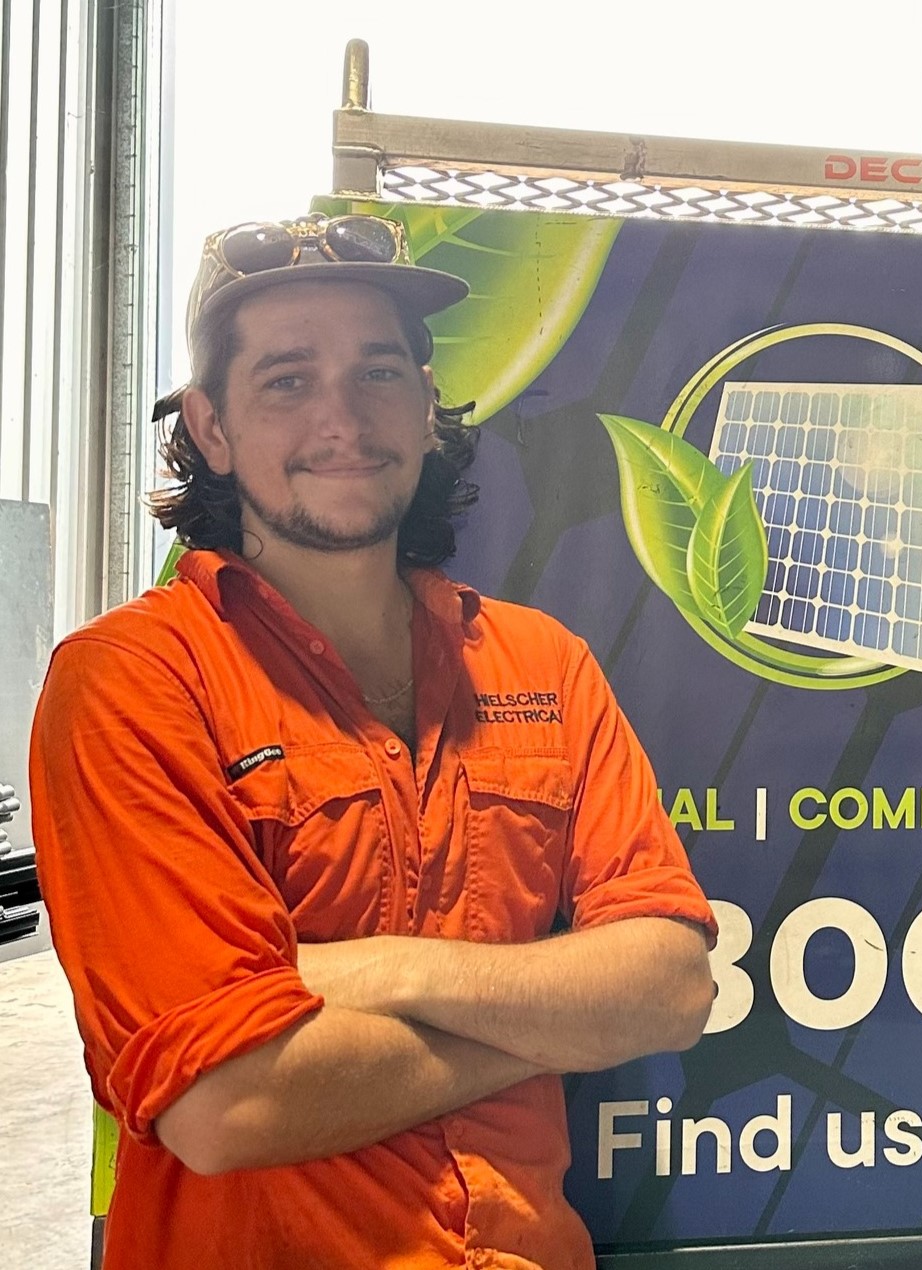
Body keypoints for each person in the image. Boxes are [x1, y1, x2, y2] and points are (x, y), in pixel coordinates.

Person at [30, 212, 717, 1270]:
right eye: (288, 380)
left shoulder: (544, 664)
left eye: (380, 372)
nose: (343, 417)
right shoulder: (133, 683)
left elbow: (670, 986)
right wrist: (547, 1016)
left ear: (428, 406)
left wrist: (362, 970)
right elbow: (226, 1104)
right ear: (211, 429)